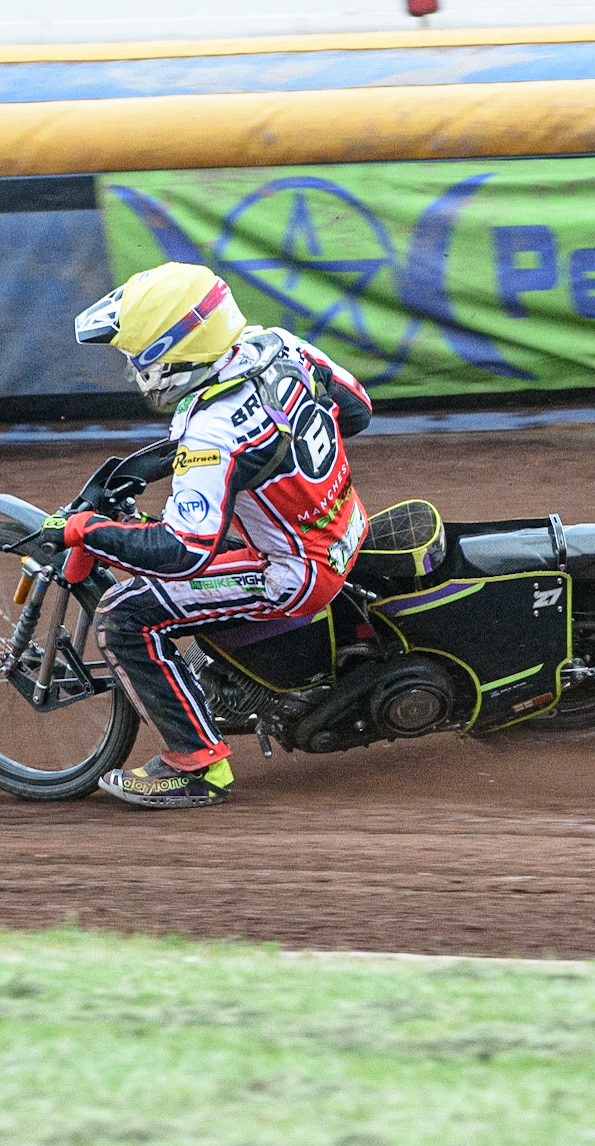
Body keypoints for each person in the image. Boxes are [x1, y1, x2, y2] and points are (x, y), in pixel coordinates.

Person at [44, 262, 373, 808]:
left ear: (175, 354)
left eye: (139, 357)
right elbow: (356, 410)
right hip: (343, 521)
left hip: (292, 572)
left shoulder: (211, 435)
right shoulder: (277, 346)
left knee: (124, 615)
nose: (134, 370)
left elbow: (182, 553)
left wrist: (89, 529)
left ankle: (195, 766)